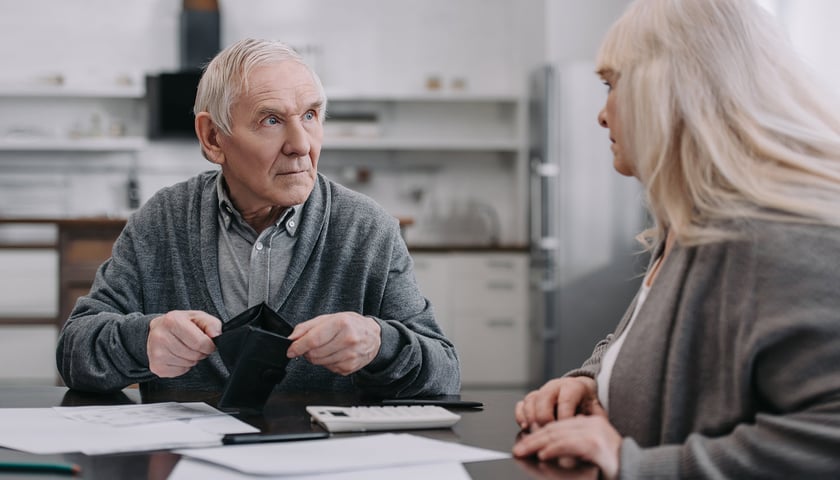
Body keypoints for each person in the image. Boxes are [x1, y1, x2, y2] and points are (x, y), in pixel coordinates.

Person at [512, 0, 840, 478]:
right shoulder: (693, 230)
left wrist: (642, 466)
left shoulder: (781, 236)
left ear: (670, 89)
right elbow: (652, 347)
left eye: (612, 84)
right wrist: (591, 383)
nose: (602, 116)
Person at [56, 38, 460, 398]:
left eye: (310, 115)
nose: (301, 145)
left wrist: (379, 344)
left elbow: (444, 374)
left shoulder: (368, 229)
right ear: (213, 138)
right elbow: (73, 351)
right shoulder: (161, 221)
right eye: (271, 120)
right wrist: (142, 340)